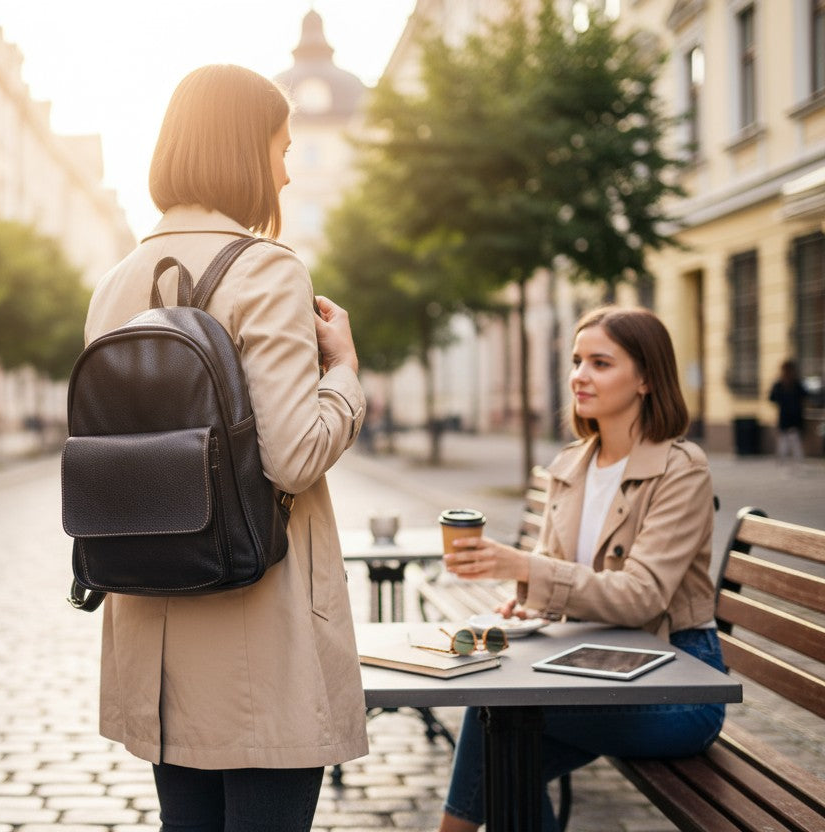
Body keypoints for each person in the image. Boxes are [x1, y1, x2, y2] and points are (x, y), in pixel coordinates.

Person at [82, 64, 369, 832]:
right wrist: (344, 372)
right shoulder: (266, 269)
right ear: (245, 149)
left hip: (153, 621)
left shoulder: (116, 282)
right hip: (255, 624)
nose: (285, 170)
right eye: (281, 148)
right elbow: (293, 457)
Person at [437, 306, 727, 832]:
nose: (579, 376)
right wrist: (527, 598)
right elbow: (556, 570)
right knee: (505, 744)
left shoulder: (681, 470)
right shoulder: (571, 464)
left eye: (600, 363)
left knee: (501, 715)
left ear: (645, 379)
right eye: (576, 361)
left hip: (680, 684)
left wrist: (526, 567)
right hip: (599, 664)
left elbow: (641, 596)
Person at [769, 359, 808, 463]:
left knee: (792, 440)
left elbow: (805, 395)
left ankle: (793, 460)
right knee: (786, 440)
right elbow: (772, 398)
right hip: (787, 415)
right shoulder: (781, 384)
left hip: (793, 416)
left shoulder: (795, 384)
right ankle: (785, 460)